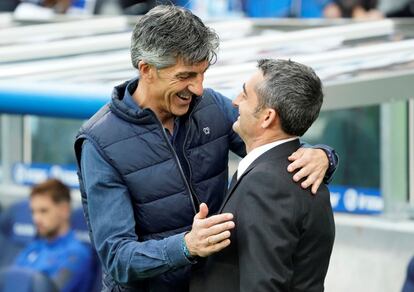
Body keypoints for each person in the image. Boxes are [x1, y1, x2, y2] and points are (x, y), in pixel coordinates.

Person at [74, 5, 338, 291]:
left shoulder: (210, 106)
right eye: (186, 76)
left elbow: (268, 141)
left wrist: (322, 155)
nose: (198, 88)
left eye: (202, 74)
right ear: (147, 70)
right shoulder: (99, 142)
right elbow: (117, 258)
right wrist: (186, 246)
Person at [190, 59, 335, 292]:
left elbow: (264, 284)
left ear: (267, 117)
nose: (235, 102)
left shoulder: (266, 183)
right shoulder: (307, 174)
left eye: (245, 95)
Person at [13, 179, 94, 292]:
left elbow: (53, 289)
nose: (36, 219)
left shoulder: (76, 254)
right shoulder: (33, 248)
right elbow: (11, 282)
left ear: (64, 210)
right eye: (33, 212)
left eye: (43, 211)